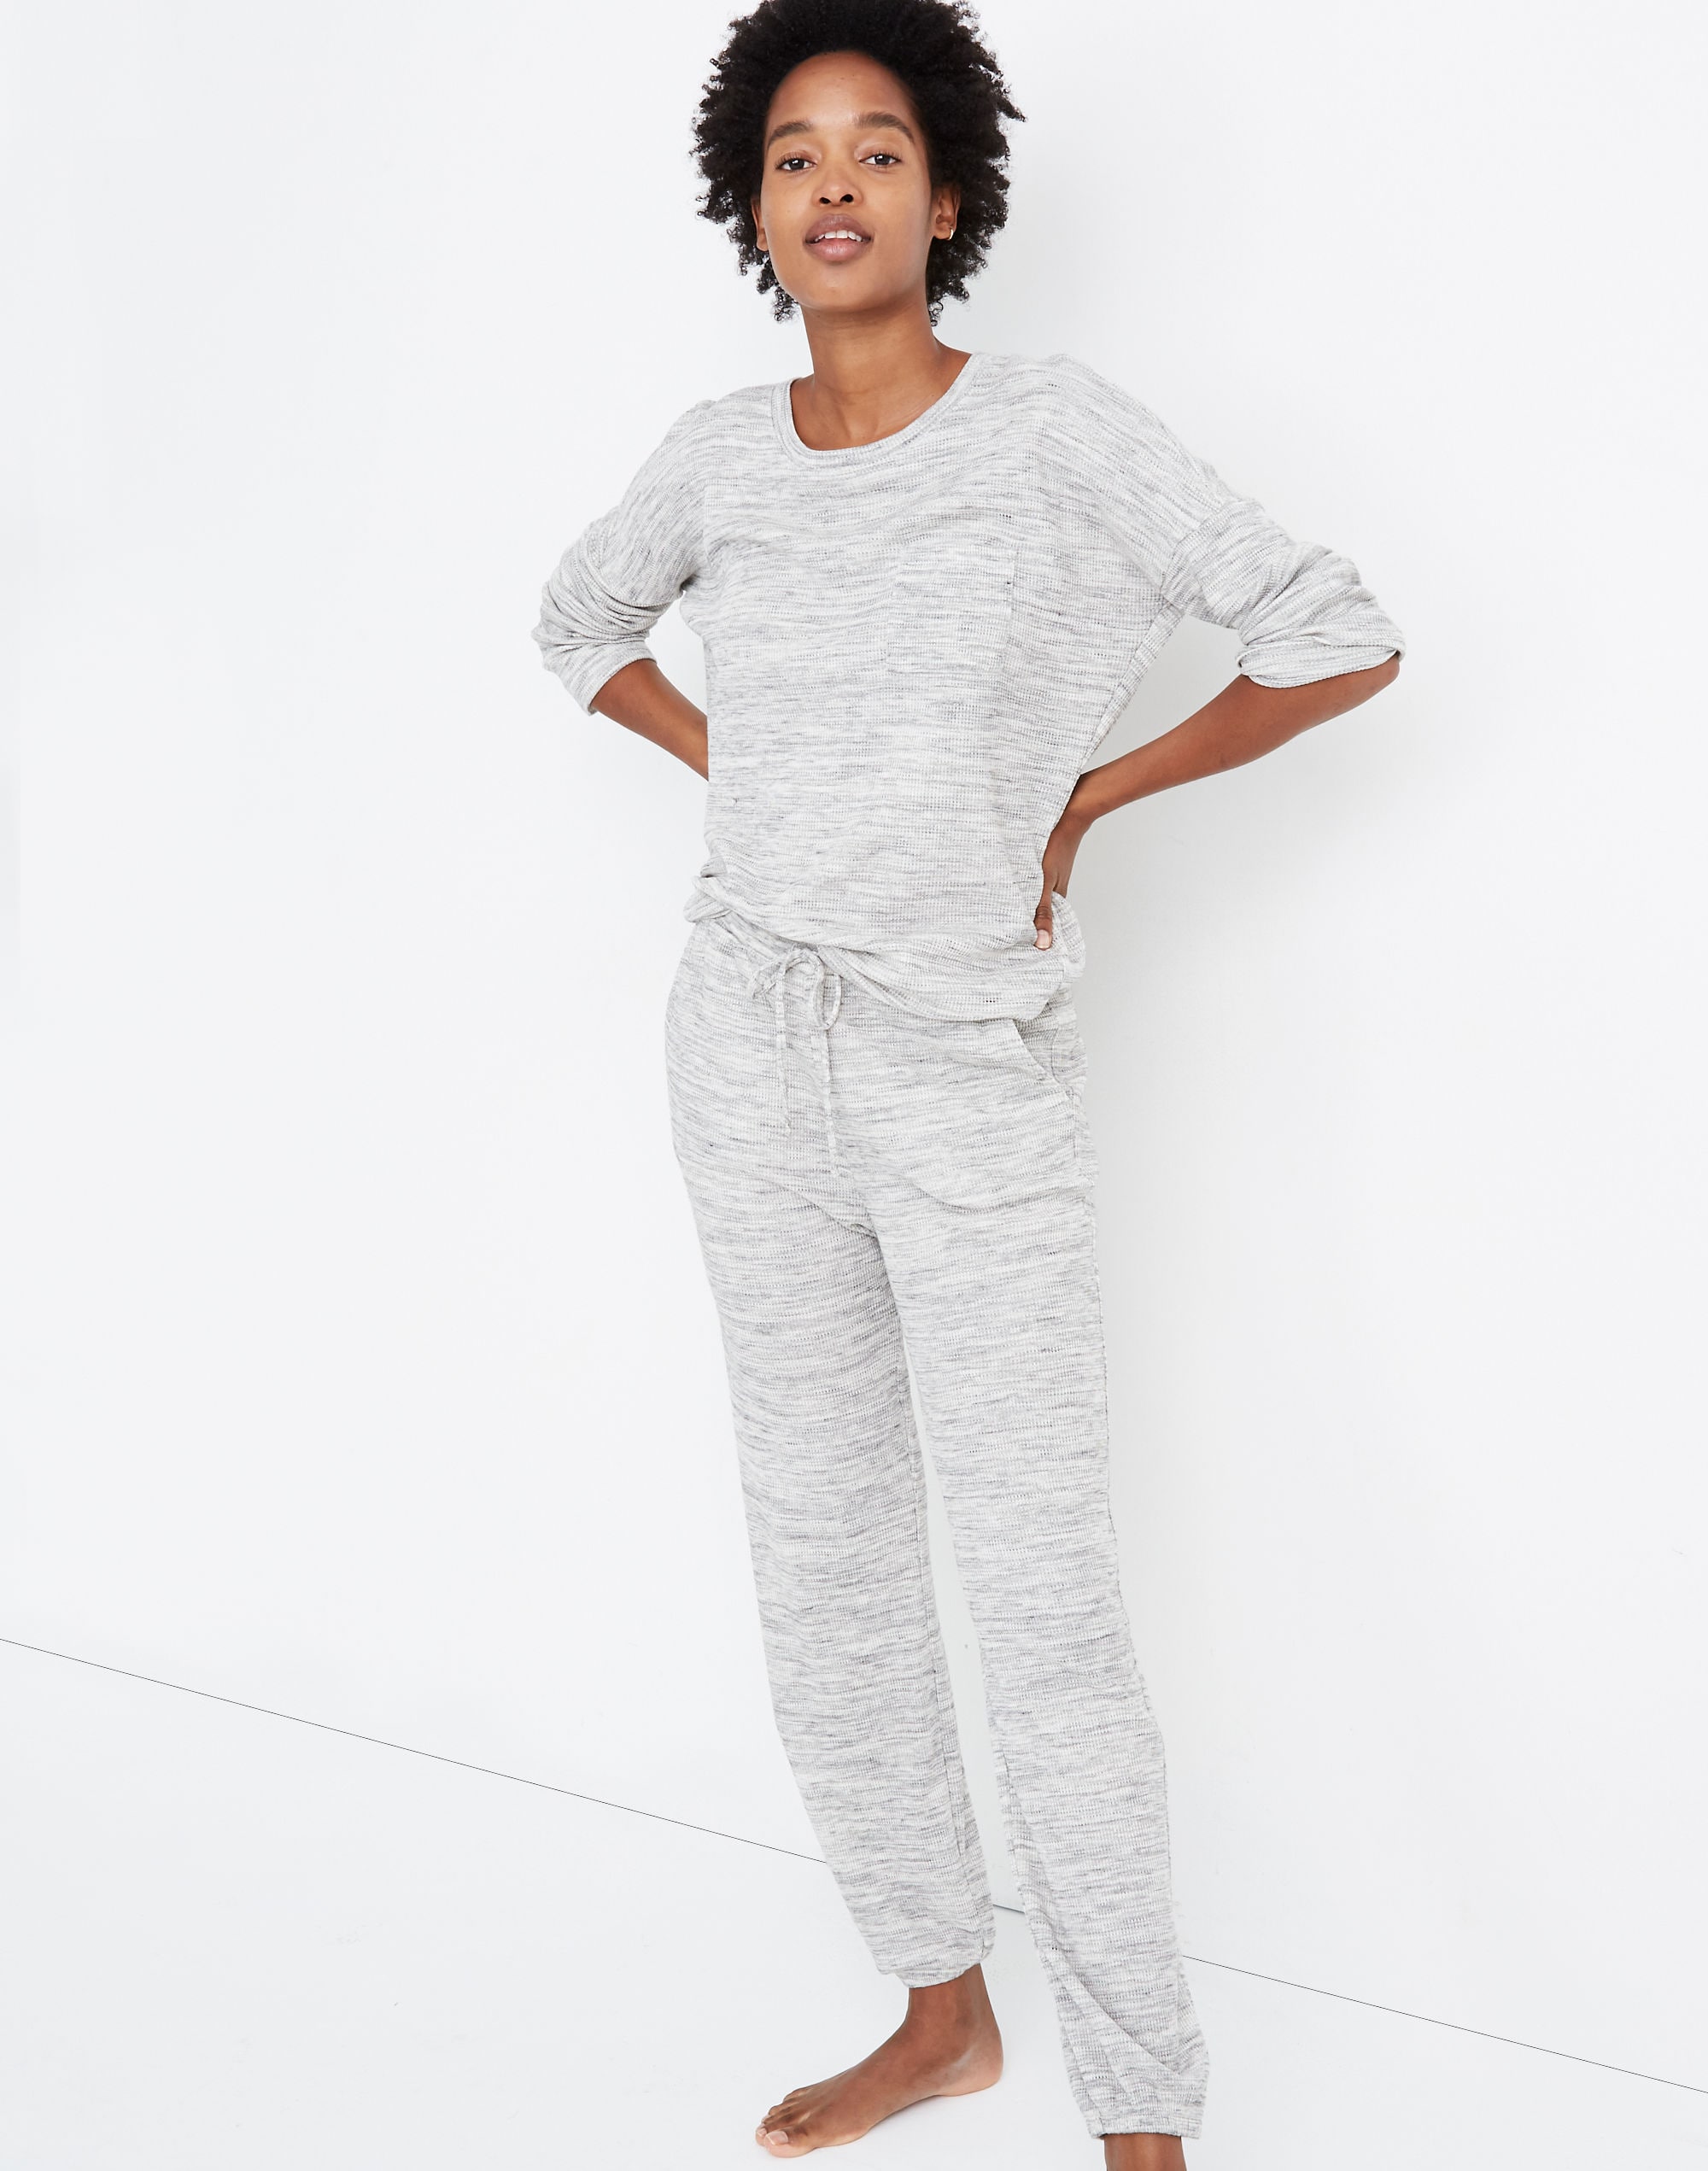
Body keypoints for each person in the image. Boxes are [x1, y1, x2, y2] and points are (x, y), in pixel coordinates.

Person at [532, 2, 1404, 2160]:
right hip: (746, 1047)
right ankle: (938, 2008)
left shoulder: (1052, 433)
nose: (833, 183)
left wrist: (1088, 793)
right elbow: (576, 623)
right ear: (753, 208)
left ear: (946, 200)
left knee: (1042, 1606)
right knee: (826, 1563)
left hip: (963, 1070)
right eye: (794, 155)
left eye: (878, 150)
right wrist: (742, 768)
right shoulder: (719, 455)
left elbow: (1335, 628)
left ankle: (1141, 2112)